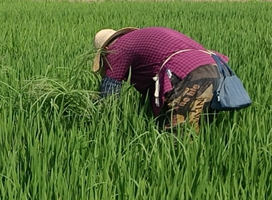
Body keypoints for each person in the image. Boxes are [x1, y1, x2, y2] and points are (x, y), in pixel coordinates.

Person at [93, 27, 237, 131]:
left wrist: (100, 122)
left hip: (190, 75)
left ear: (106, 49)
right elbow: (151, 91)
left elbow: (109, 93)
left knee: (179, 138)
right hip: (217, 70)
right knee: (205, 129)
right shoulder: (141, 38)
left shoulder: (117, 49)